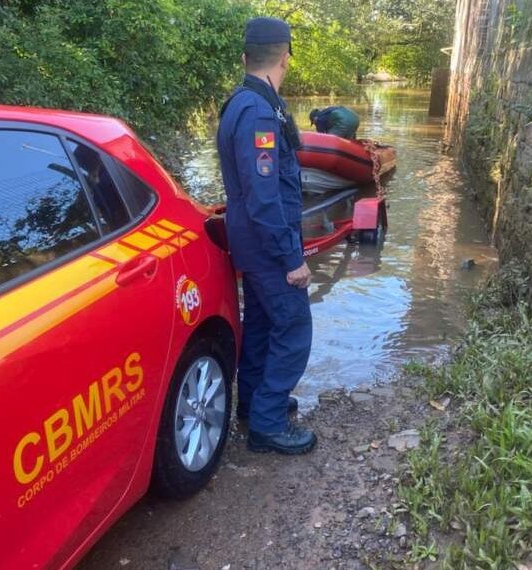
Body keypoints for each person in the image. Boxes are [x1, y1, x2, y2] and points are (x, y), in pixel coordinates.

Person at [216, 16, 316, 455]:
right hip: (265, 241)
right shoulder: (258, 111)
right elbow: (263, 197)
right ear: (285, 57)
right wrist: (291, 258)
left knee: (259, 321)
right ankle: (268, 424)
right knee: (294, 326)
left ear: (245, 57)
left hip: (250, 238)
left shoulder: (244, 100)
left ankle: (254, 402)